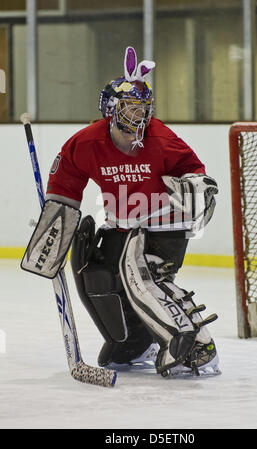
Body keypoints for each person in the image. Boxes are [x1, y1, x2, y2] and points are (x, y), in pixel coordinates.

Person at [44, 46, 220, 376]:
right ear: (110, 107)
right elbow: (66, 182)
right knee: (95, 274)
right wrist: (55, 225)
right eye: (130, 108)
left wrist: (196, 184)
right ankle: (133, 343)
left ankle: (197, 345)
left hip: (164, 225)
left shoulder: (162, 139)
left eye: (143, 109)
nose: (138, 116)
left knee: (145, 276)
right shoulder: (86, 143)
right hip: (122, 226)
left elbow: (192, 169)